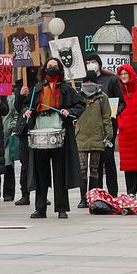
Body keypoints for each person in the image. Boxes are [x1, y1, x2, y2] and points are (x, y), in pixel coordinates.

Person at [20, 57, 84, 219]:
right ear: (44, 69)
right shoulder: (37, 88)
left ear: (59, 69)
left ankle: (62, 208)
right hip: (39, 131)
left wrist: (69, 112)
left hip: (59, 131)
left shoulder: (66, 88)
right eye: (50, 66)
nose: (52, 69)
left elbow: (80, 104)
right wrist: (27, 110)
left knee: (60, 172)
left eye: (55, 66)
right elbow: (25, 105)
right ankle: (40, 208)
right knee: (40, 173)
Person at [74, 71, 115, 196]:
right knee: (82, 170)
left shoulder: (102, 97)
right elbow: (73, 113)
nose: (88, 83)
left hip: (97, 137)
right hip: (81, 137)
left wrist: (109, 135)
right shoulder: (77, 97)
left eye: (91, 81)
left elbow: (107, 118)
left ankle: (92, 196)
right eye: (86, 81)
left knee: (94, 169)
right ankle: (83, 198)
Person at [114, 64, 137, 198]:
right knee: (129, 166)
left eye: (126, 73)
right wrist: (120, 124)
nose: (123, 76)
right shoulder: (116, 92)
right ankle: (131, 193)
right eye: (121, 74)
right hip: (126, 134)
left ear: (131, 74)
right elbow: (113, 112)